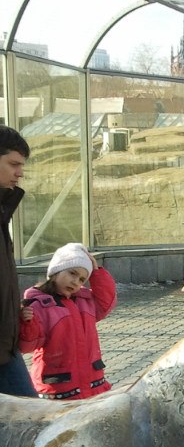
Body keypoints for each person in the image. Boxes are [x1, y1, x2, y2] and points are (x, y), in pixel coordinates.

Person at [19, 242, 117, 400]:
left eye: (82, 279)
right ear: (56, 271)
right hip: (58, 389)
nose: (76, 282)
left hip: (92, 386)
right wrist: (27, 323)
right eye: (72, 273)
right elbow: (27, 345)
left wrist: (96, 272)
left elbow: (106, 302)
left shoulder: (85, 302)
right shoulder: (39, 306)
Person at [0, 126, 37, 397]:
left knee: (31, 423)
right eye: (13, 164)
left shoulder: (3, 211)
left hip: (6, 347)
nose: (20, 172)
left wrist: (14, 311)